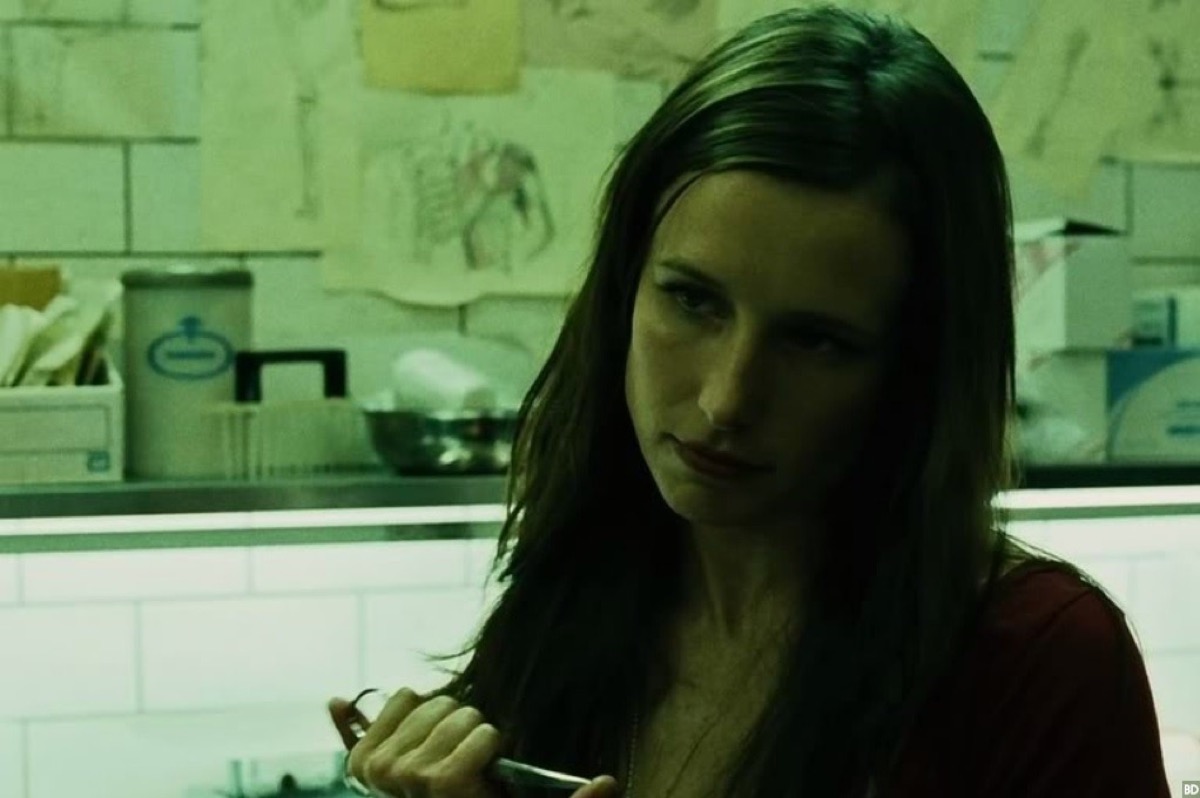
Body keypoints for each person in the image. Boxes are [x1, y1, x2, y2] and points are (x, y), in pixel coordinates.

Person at [330, 5, 1173, 797]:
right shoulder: (574, 607)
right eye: (692, 300)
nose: (727, 398)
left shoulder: (1037, 659)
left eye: (816, 342)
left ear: (916, 369)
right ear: (625, 287)